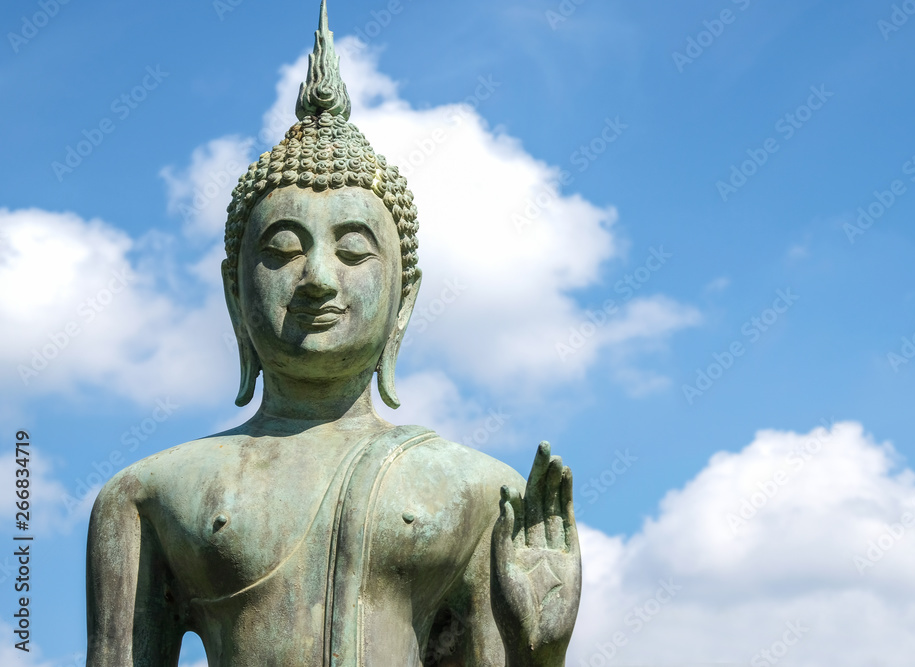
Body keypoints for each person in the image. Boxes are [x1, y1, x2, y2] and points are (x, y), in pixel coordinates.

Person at [85, 3, 580, 665]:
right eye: (284, 249)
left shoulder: (482, 495)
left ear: (404, 298)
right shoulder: (148, 496)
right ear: (235, 292)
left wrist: (540, 651)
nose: (317, 276)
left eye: (352, 252)